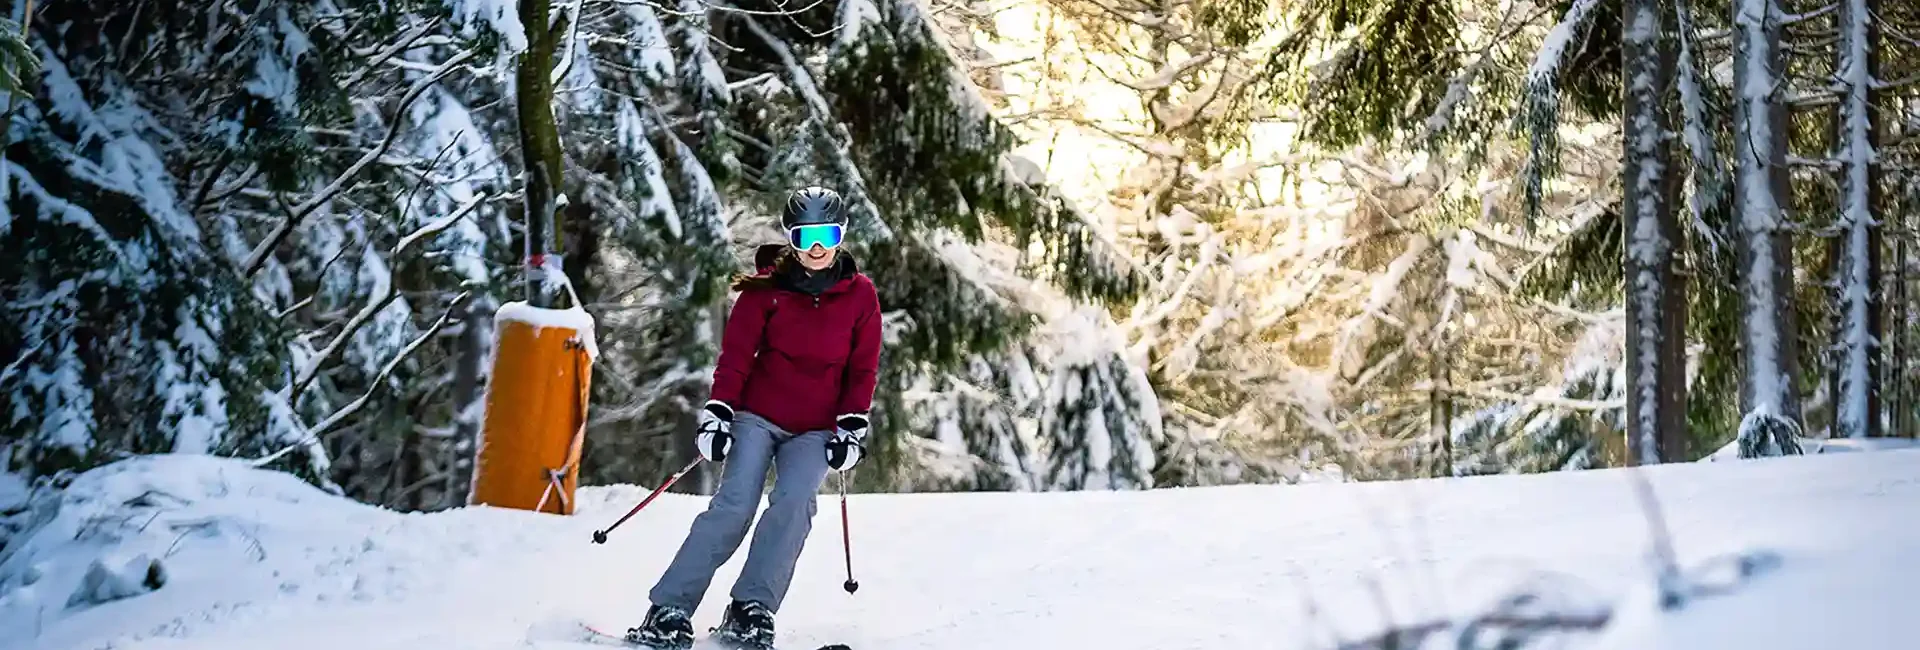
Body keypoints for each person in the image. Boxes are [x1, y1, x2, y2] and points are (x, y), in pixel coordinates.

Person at [625, 186, 883, 650]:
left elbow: (863, 366)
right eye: (806, 237)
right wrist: (718, 413)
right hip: (757, 415)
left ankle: (751, 609)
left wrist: (852, 424)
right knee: (735, 506)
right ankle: (669, 609)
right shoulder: (767, 289)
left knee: (794, 505)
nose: (817, 247)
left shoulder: (861, 296)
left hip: (816, 428)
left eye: (827, 234)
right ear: (792, 239)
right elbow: (737, 355)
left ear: (841, 235)